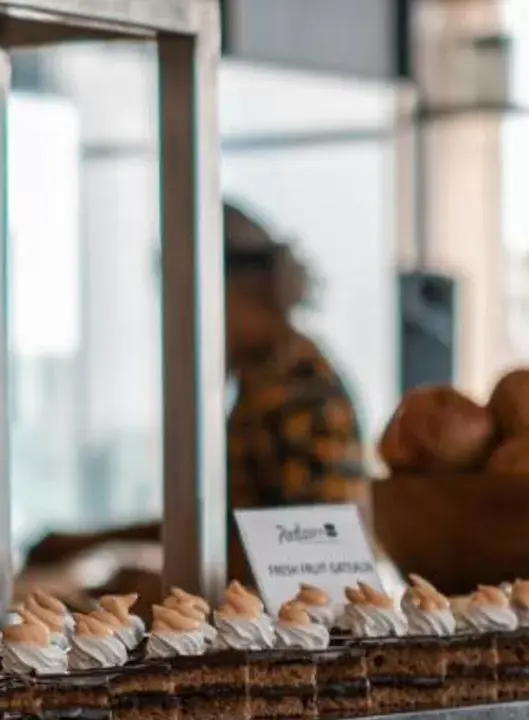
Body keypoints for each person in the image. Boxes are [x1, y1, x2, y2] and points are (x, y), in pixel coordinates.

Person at [25, 203, 366, 578]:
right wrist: (88, 543)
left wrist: (146, 581)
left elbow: (313, 561)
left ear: (239, 290)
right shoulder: (262, 383)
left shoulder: (302, 395)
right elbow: (222, 525)